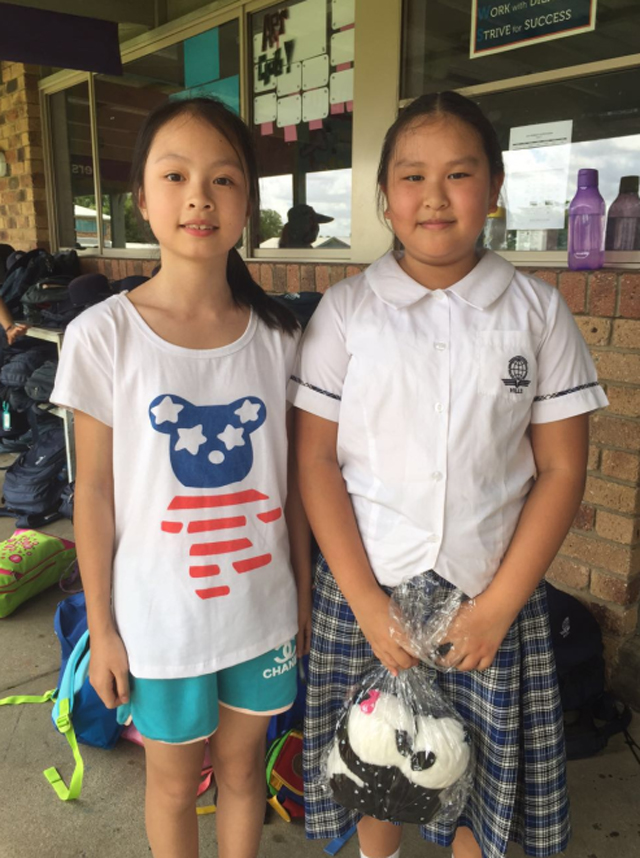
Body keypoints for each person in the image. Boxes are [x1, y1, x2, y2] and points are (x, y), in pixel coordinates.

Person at [290, 91, 608, 858]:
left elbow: (562, 467)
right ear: (384, 195)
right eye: (412, 176)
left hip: (490, 595)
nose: (434, 196)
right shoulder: (347, 312)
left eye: (459, 174)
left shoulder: (536, 312)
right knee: (374, 762)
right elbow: (316, 461)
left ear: (494, 188)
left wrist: (498, 606)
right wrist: (367, 605)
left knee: (482, 778)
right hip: (366, 591)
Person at [51, 97, 311, 858]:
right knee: (171, 786)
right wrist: (103, 629)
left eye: (223, 179)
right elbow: (93, 494)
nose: (200, 196)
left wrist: (300, 592)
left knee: (243, 773)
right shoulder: (102, 335)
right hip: (158, 624)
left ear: (248, 206)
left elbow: (293, 485)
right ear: (141, 198)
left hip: (261, 613)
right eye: (176, 176)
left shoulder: (280, 337)